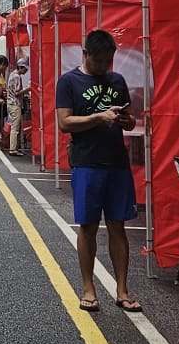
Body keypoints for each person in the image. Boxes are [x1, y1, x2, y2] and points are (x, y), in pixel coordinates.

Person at [56, 28, 140, 313]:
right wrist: (98, 117)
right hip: (87, 162)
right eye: (99, 61)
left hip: (117, 161)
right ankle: (88, 287)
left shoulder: (117, 80)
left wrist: (126, 120)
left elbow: (129, 122)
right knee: (88, 226)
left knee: (118, 226)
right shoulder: (68, 82)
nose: (104, 67)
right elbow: (65, 123)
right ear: (85, 54)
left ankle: (122, 289)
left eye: (108, 61)